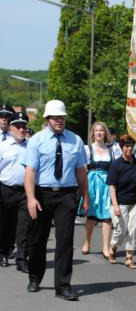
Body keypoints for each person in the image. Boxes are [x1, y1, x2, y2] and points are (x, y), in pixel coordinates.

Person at [23, 99, 89, 301]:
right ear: (47, 119)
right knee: (37, 240)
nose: (59, 120)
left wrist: (86, 196)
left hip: (66, 196)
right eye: (55, 117)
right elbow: (30, 171)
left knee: (65, 242)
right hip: (42, 194)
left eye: (62, 117)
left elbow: (80, 171)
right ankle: (35, 277)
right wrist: (31, 198)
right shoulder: (37, 140)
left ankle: (63, 286)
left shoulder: (75, 140)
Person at [0, 111, 31, 272]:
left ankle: (21, 259)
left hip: (25, 192)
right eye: (18, 126)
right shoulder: (3, 146)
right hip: (5, 190)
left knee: (24, 227)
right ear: (11, 128)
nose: (21, 130)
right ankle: (4, 253)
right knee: (5, 225)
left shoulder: (31, 147)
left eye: (23, 127)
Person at [107, 134, 136, 268]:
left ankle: (129, 258)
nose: (129, 149)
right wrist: (115, 205)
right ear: (121, 147)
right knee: (120, 231)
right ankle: (113, 247)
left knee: (133, 231)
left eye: (131, 146)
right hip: (120, 202)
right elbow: (112, 186)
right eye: (126, 146)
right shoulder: (116, 164)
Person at [80, 122, 114, 259]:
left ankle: (105, 247)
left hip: (107, 184)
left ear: (105, 133)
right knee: (92, 216)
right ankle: (87, 241)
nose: (99, 133)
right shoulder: (87, 149)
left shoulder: (112, 149)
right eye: (97, 130)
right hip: (92, 183)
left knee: (107, 216)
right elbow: (82, 169)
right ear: (93, 134)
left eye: (102, 130)